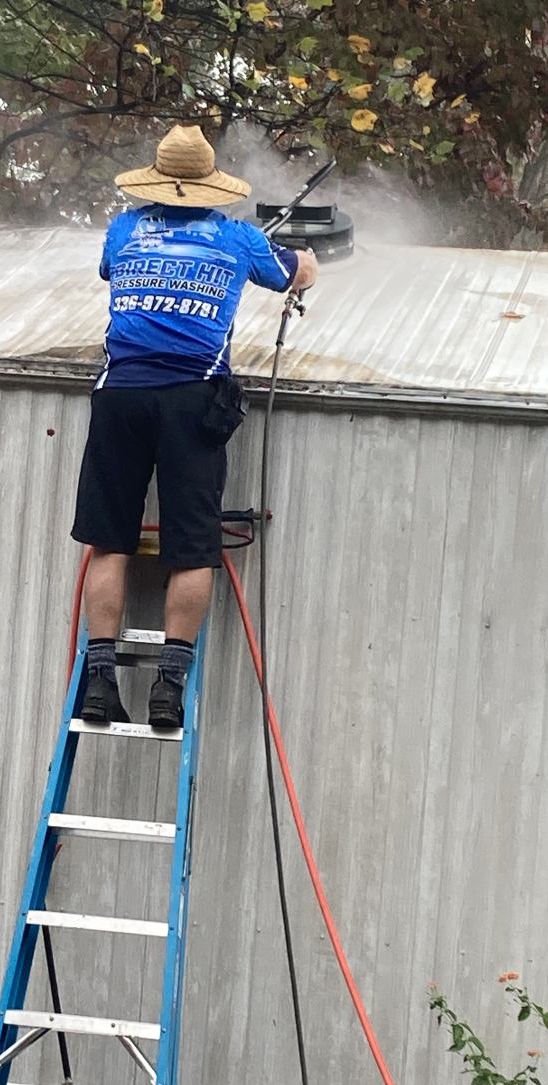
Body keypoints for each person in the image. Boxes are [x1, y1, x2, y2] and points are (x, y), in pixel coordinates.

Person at [71, 124, 317, 729]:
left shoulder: (125, 228)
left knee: (109, 541)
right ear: (212, 186)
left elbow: (109, 270)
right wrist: (305, 260)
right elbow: (295, 275)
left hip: (120, 394)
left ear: (156, 180)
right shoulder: (237, 237)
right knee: (193, 550)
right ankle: (168, 688)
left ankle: (99, 682)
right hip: (191, 398)